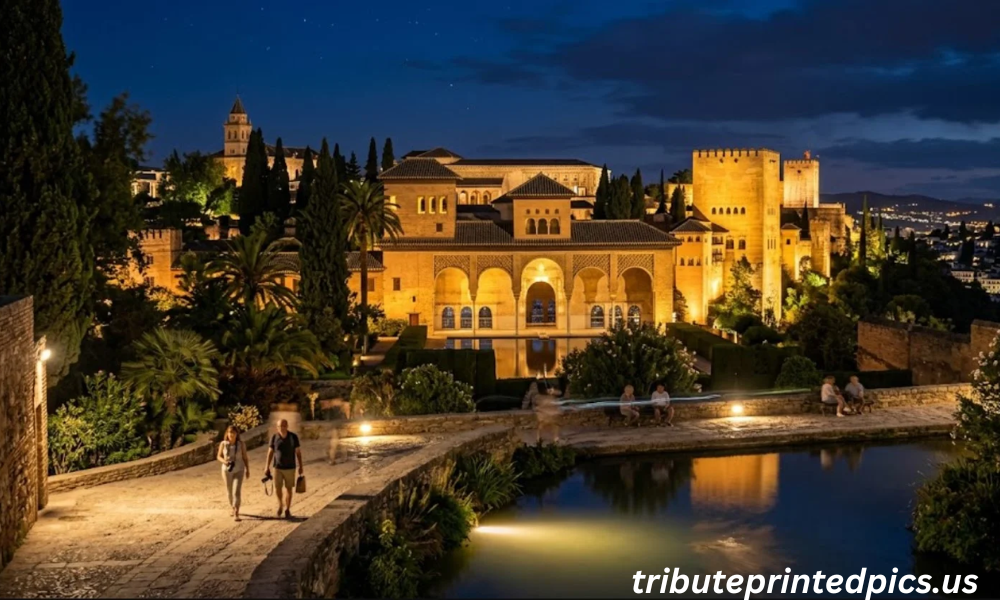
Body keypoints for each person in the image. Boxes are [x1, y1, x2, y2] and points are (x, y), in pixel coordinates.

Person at [264, 418, 303, 518]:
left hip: (290, 467)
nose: (282, 427)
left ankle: (287, 509)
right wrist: (267, 466)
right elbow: (270, 452)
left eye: (284, 425)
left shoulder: (293, 437)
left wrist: (301, 466)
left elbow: (298, 453)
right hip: (277, 467)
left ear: (287, 426)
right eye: (280, 426)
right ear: (277, 427)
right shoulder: (274, 437)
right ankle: (281, 504)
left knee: (289, 489)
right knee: (278, 488)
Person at [217, 426, 250, 521]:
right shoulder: (223, 444)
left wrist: (248, 469)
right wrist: (224, 461)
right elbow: (218, 456)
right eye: (229, 432)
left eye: (233, 433)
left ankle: (236, 511)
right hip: (227, 470)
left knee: (236, 491)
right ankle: (232, 506)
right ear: (227, 433)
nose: (231, 434)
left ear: (236, 434)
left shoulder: (241, 444)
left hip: (239, 469)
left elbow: (245, 457)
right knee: (229, 490)